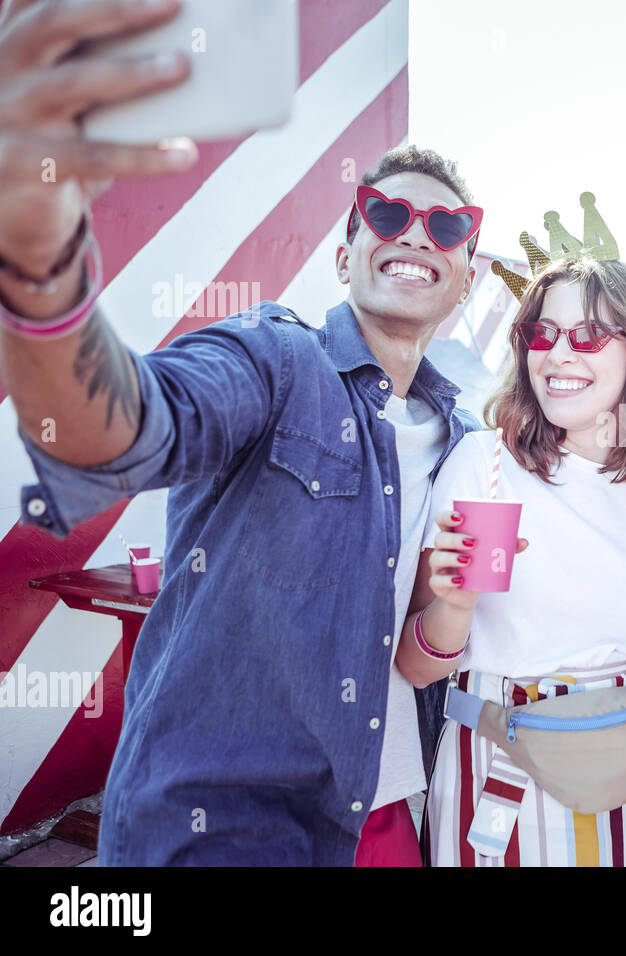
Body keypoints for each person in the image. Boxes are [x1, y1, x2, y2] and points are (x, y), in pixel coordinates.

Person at [0, 1, 485, 865]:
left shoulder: (462, 437)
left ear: (463, 280)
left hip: (387, 816)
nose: (416, 234)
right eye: (384, 214)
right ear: (344, 255)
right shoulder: (272, 359)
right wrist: (37, 264)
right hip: (222, 835)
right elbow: (126, 429)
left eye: (446, 226)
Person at [399, 255, 626, 867]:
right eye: (543, 333)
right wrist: (456, 602)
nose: (559, 354)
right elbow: (418, 668)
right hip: (499, 769)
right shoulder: (486, 463)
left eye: (588, 335)